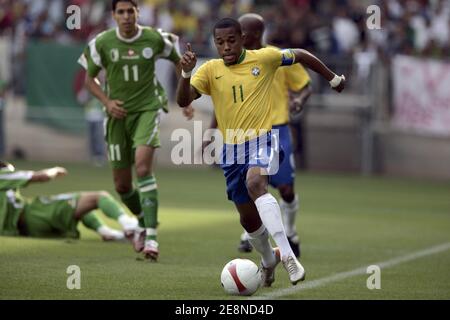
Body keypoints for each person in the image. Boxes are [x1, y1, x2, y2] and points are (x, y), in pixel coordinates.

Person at [176, 18, 345, 286]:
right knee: (247, 218)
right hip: (231, 149)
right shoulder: (209, 70)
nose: (226, 47)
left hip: (263, 139)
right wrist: (185, 74)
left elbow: (300, 55)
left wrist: (332, 78)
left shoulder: (264, 58)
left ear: (242, 38)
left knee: (257, 182)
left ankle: (288, 255)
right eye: (220, 42)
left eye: (231, 40)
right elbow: (183, 100)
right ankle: (268, 259)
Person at [78, 0, 194, 261]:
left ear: (138, 13)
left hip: (147, 109)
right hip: (117, 116)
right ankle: (142, 220)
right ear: (114, 15)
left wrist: (185, 97)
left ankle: (151, 236)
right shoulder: (102, 42)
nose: (127, 16)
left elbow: (179, 63)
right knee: (121, 186)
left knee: (142, 168)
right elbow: (89, 79)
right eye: (121, 12)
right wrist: (107, 102)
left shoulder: (154, 38)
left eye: (131, 11)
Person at [234, 13, 312, 257]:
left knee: (286, 189)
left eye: (242, 33)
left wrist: (299, 99)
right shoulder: (233, 61)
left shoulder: (278, 57)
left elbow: (305, 85)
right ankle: (251, 233)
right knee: (253, 184)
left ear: (256, 34)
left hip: (277, 128)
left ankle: (289, 230)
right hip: (246, 130)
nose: (238, 38)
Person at [0, 161, 138, 241]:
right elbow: (40, 177)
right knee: (99, 197)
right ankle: (128, 223)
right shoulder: (3, 176)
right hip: (34, 213)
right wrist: (54, 170)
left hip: (25, 231)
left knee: (74, 208)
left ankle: (106, 231)